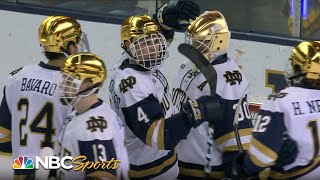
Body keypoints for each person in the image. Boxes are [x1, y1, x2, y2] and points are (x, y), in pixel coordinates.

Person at [109, 3, 223, 180]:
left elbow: (152, 35)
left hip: (163, 166)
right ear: (127, 45)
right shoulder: (132, 86)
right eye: (145, 44)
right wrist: (195, 112)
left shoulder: (136, 60)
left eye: (155, 41)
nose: (154, 48)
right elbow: (159, 136)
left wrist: (166, 16)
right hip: (144, 173)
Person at [0, 15, 90, 179]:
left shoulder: (16, 77)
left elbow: (3, 136)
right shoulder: (76, 86)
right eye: (76, 41)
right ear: (69, 47)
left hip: (22, 169)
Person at [171, 11, 253, 179]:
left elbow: (235, 137)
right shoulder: (187, 66)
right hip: (178, 164)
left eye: (201, 43)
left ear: (219, 42)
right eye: (193, 41)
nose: (194, 47)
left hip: (206, 171)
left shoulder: (229, 80)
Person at [233, 41, 320, 179]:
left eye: (295, 66)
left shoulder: (279, 101)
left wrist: (244, 167)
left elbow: (261, 156)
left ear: (304, 70)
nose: (292, 69)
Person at [55, 52, 129, 180]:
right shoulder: (79, 112)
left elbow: (103, 176)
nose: (62, 86)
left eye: (69, 82)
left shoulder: (95, 130)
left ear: (88, 86)